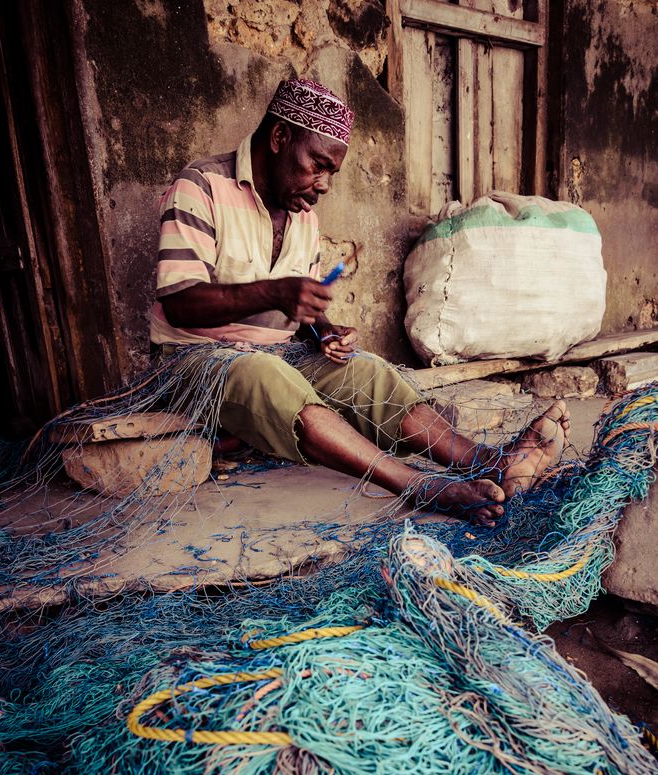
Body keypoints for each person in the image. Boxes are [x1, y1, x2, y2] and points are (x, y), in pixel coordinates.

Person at [150, 78, 569, 527]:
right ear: (278, 138)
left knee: (367, 370)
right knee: (265, 374)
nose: (324, 185)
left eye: (331, 172)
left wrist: (323, 328)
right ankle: (418, 485)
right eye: (318, 165)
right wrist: (276, 291)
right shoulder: (201, 187)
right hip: (193, 360)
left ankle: (488, 462)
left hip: (275, 355)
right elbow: (180, 303)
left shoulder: (302, 215)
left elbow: (298, 306)